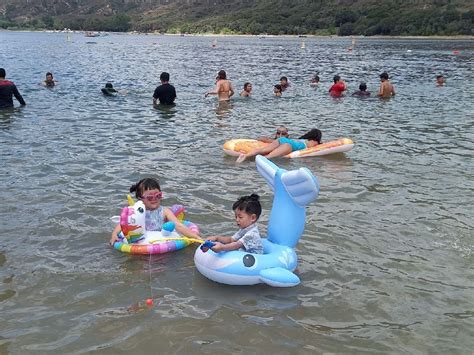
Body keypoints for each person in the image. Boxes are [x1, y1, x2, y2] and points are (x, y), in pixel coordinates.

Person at [109, 178, 201, 245]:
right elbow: (123, 224)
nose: (154, 199)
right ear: (140, 198)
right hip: (142, 242)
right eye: (150, 197)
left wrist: (196, 237)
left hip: (160, 240)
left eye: (158, 195)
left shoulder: (165, 211)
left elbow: (178, 225)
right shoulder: (137, 211)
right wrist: (114, 235)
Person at [237, 128, 322, 163]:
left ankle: (245, 156)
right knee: (268, 157)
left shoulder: (303, 140)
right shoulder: (314, 143)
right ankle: (255, 162)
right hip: (288, 145)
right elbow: (319, 148)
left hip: (282, 141)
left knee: (263, 150)